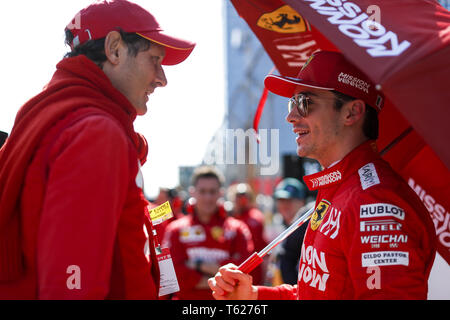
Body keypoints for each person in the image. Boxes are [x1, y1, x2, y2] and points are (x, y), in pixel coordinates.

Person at [0, 0, 195, 299]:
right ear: (114, 49)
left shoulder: (56, 115)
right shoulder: (96, 132)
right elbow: (71, 282)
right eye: (155, 59)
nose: (162, 78)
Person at [208, 51, 437, 300]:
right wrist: (253, 295)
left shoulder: (373, 200)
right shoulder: (338, 188)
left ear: (352, 113)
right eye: (291, 103)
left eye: (305, 103)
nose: (291, 116)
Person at [162, 166, 254, 300]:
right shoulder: (175, 230)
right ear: (192, 192)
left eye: (212, 191)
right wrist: (223, 279)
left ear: (220, 193)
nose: (207, 197)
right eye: (202, 191)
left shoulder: (238, 229)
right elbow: (173, 277)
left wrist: (198, 265)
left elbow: (244, 272)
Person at [267, 178, 313, 286]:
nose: (284, 205)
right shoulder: (276, 226)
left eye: (290, 200)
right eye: (281, 200)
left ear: (302, 202)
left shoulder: (312, 228)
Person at [227, 183, 267, 285]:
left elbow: (262, 248)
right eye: (238, 196)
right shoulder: (228, 218)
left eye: (244, 196)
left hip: (253, 269)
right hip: (232, 267)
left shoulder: (255, 217)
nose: (241, 200)